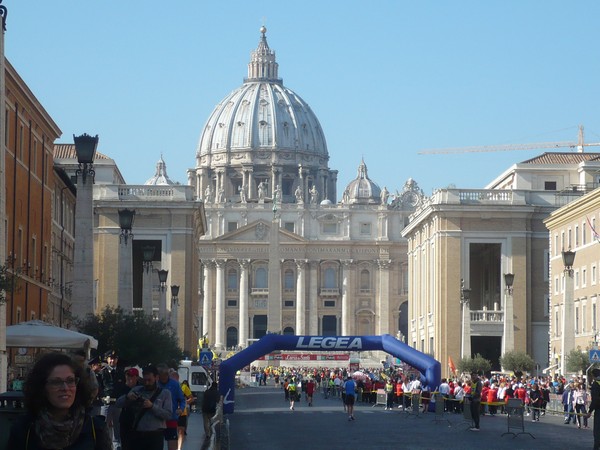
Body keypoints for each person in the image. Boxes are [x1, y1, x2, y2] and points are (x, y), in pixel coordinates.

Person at [7, 352, 111, 449]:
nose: (65, 388)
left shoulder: (95, 429)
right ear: (42, 387)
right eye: (56, 382)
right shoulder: (25, 429)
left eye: (70, 381)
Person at [116, 365, 172, 450]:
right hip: (138, 435)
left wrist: (152, 406)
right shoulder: (137, 390)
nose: (147, 383)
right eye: (145, 380)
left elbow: (168, 415)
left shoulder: (165, 393)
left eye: (149, 380)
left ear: (156, 377)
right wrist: (127, 397)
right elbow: (118, 404)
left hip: (155, 436)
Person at [156, 364, 186, 450]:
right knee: (157, 443)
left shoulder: (175, 384)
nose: (163, 378)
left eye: (165, 375)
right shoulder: (156, 384)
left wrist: (181, 409)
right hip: (158, 419)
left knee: (172, 442)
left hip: (171, 417)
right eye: (161, 375)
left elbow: (182, 399)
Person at [100, 350, 125, 449]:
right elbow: (100, 386)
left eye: (114, 359)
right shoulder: (103, 371)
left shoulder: (121, 372)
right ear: (107, 359)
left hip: (118, 403)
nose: (112, 361)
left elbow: (123, 386)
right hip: (106, 402)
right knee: (104, 426)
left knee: (117, 427)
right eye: (110, 358)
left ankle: (116, 446)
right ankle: (105, 445)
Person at [119, 367, 141, 450]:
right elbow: (118, 402)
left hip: (137, 421)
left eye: (131, 376)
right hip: (125, 420)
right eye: (127, 375)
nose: (129, 378)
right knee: (125, 445)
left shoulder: (141, 388)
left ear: (137, 377)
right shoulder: (123, 387)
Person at [586, 368, 600, 449]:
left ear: (593, 376)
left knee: (597, 431)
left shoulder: (596, 384)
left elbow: (595, 400)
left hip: (599, 410)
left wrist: (590, 411)